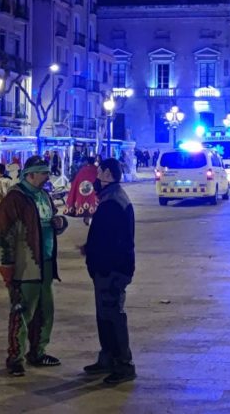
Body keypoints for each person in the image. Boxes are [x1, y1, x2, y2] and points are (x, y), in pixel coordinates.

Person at [0, 156, 69, 376]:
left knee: (45, 309)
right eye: (43, 173)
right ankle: (15, 357)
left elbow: (52, 219)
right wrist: (8, 264)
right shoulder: (15, 198)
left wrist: (60, 223)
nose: (48, 176)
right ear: (31, 174)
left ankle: (38, 351)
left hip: (46, 261)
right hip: (25, 263)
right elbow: (5, 234)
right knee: (23, 310)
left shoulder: (43, 195)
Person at [80, 158, 136, 385]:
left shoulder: (113, 201)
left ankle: (123, 364)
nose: (96, 176)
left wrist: (98, 258)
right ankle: (108, 358)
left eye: (100, 171)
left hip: (112, 269)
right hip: (107, 268)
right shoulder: (110, 198)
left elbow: (111, 240)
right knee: (105, 315)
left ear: (108, 175)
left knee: (113, 316)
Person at [65, 157, 99, 225]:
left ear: (87, 161)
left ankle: (87, 217)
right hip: (93, 190)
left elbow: (77, 180)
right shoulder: (97, 170)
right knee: (92, 203)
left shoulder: (83, 170)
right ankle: (90, 218)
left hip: (83, 190)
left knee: (85, 202)